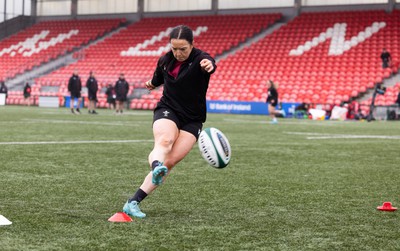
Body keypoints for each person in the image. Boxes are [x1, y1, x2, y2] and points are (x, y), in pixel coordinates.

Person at [122, 25, 217, 218]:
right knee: (164, 141)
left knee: (171, 161)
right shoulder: (165, 60)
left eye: (183, 49)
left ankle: (133, 202)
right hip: (168, 109)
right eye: (174, 48)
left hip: (193, 119)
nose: (178, 53)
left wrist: (210, 65)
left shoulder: (201, 59)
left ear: (192, 45)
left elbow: (210, 63)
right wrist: (152, 83)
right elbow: (158, 79)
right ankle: (156, 165)